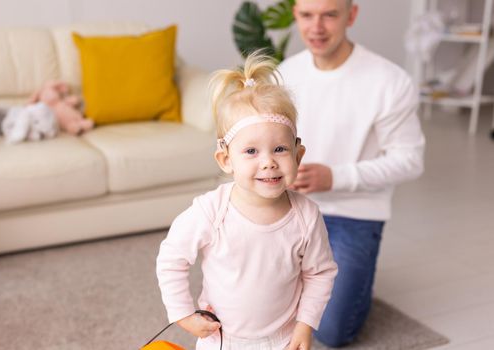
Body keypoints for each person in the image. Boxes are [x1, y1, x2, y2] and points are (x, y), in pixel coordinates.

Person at [156, 52, 338, 350]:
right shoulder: (210, 211)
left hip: (284, 339)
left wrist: (305, 327)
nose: (268, 162)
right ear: (226, 160)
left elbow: (319, 273)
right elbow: (171, 259)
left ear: (298, 155)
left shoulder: (306, 215)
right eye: (251, 151)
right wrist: (183, 315)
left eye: (280, 148)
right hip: (222, 340)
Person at [278, 0, 426, 347]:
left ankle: (343, 280)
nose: (316, 27)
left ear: (351, 15)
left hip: (353, 215)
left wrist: (335, 177)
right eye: (307, 15)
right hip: (289, 208)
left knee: (331, 331)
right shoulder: (285, 72)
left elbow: (410, 160)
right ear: (295, 15)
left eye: (329, 15)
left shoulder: (389, 81)